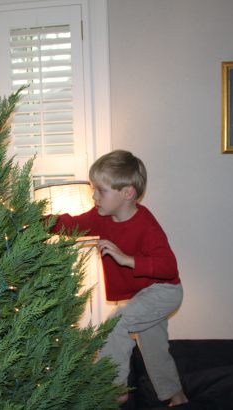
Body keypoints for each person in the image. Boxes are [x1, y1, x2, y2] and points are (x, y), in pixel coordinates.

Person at [49, 150, 188, 407]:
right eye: (94, 190)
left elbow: (168, 267)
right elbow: (72, 224)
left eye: (101, 191)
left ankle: (113, 387)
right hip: (144, 295)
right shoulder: (101, 217)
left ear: (127, 193)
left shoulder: (145, 224)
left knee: (115, 325)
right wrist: (37, 221)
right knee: (154, 349)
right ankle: (177, 398)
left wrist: (127, 260)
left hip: (165, 291)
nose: (94, 196)